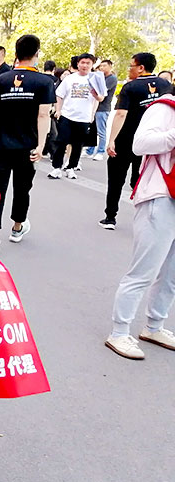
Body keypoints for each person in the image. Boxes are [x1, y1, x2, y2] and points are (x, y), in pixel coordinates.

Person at [103, 93, 175, 359]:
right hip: (160, 196)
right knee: (143, 271)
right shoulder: (164, 108)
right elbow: (140, 144)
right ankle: (119, 332)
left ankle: (154, 326)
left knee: (171, 274)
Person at [0, 34, 54, 243]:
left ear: (15, 54)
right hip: (28, 146)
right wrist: (41, 145)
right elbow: (43, 115)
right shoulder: (44, 82)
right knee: (23, 188)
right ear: (37, 53)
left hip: (0, 145)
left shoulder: (1, 80)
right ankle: (17, 226)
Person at [100, 52, 173, 229]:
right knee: (142, 179)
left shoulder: (130, 87)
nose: (129, 69)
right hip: (151, 141)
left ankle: (110, 217)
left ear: (140, 68)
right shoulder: (166, 85)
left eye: (131, 66)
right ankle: (145, 219)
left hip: (127, 139)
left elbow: (121, 114)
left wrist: (112, 140)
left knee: (116, 179)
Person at [49, 53, 102, 179]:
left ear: (92, 65)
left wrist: (92, 112)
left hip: (83, 117)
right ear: (78, 64)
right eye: (82, 62)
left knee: (78, 145)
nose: (84, 65)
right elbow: (59, 95)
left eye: (88, 63)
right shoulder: (70, 79)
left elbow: (100, 98)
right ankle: (56, 168)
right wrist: (58, 110)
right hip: (67, 115)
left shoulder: (96, 79)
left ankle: (71, 167)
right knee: (61, 142)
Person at [87, 59, 117, 160]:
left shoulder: (112, 79)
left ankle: (100, 151)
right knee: (93, 130)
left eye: (104, 66)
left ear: (110, 66)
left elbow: (102, 90)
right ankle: (90, 150)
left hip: (103, 108)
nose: (102, 68)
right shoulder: (100, 77)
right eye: (101, 66)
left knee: (101, 131)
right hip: (94, 107)